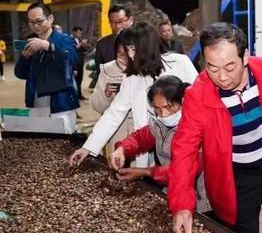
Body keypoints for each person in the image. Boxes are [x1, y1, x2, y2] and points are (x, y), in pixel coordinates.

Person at [168, 22, 262, 233]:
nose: (222, 77)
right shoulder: (197, 96)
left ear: (246, 57)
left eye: (230, 67)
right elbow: (184, 150)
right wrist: (182, 205)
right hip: (239, 177)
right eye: (212, 68)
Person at [69, 21, 198, 166]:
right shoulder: (132, 78)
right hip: (150, 148)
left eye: (133, 49)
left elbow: (200, 104)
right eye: (127, 49)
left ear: (147, 47)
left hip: (187, 144)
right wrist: (88, 147)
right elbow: (114, 113)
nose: (130, 55)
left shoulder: (180, 63)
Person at [108, 76, 211, 213]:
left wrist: (144, 172)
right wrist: (122, 149)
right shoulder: (159, 123)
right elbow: (140, 138)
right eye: (157, 108)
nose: (163, 114)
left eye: (168, 107)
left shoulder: (196, 129)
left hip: (199, 200)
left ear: (182, 102)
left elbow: (183, 170)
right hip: (170, 191)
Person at [14, 3, 79, 133]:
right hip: (36, 104)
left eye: (39, 21)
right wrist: (25, 57)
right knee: (39, 145)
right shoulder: (31, 42)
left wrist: (47, 46)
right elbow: (20, 73)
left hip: (61, 104)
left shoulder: (64, 40)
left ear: (50, 19)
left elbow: (72, 60)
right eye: (31, 22)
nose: (35, 25)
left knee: (62, 144)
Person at [89, 33, 134, 159]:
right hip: (116, 131)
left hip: (139, 130)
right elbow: (97, 106)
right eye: (121, 54)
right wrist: (106, 94)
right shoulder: (109, 69)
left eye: (128, 53)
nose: (126, 58)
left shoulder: (145, 69)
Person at [94, 4, 133, 80]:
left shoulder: (141, 41)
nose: (118, 26)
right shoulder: (102, 44)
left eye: (121, 21)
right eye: (113, 22)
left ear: (130, 20)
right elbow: (100, 73)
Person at [71, 26, 89, 100]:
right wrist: (81, 43)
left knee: (80, 79)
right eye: (78, 33)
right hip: (74, 64)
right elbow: (73, 49)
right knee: (74, 80)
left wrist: (85, 45)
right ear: (74, 32)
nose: (80, 34)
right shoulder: (69, 39)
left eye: (80, 33)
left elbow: (84, 50)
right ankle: (74, 96)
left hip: (81, 63)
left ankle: (79, 95)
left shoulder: (79, 39)